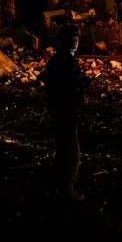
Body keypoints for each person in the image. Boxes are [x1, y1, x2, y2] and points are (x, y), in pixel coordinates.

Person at [40, 24, 87, 202]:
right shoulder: (61, 61)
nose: (75, 40)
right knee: (70, 150)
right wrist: (80, 86)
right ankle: (67, 188)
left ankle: (53, 186)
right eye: (71, 37)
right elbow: (61, 86)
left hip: (66, 110)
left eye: (77, 37)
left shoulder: (66, 60)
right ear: (62, 40)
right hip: (64, 110)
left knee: (63, 150)